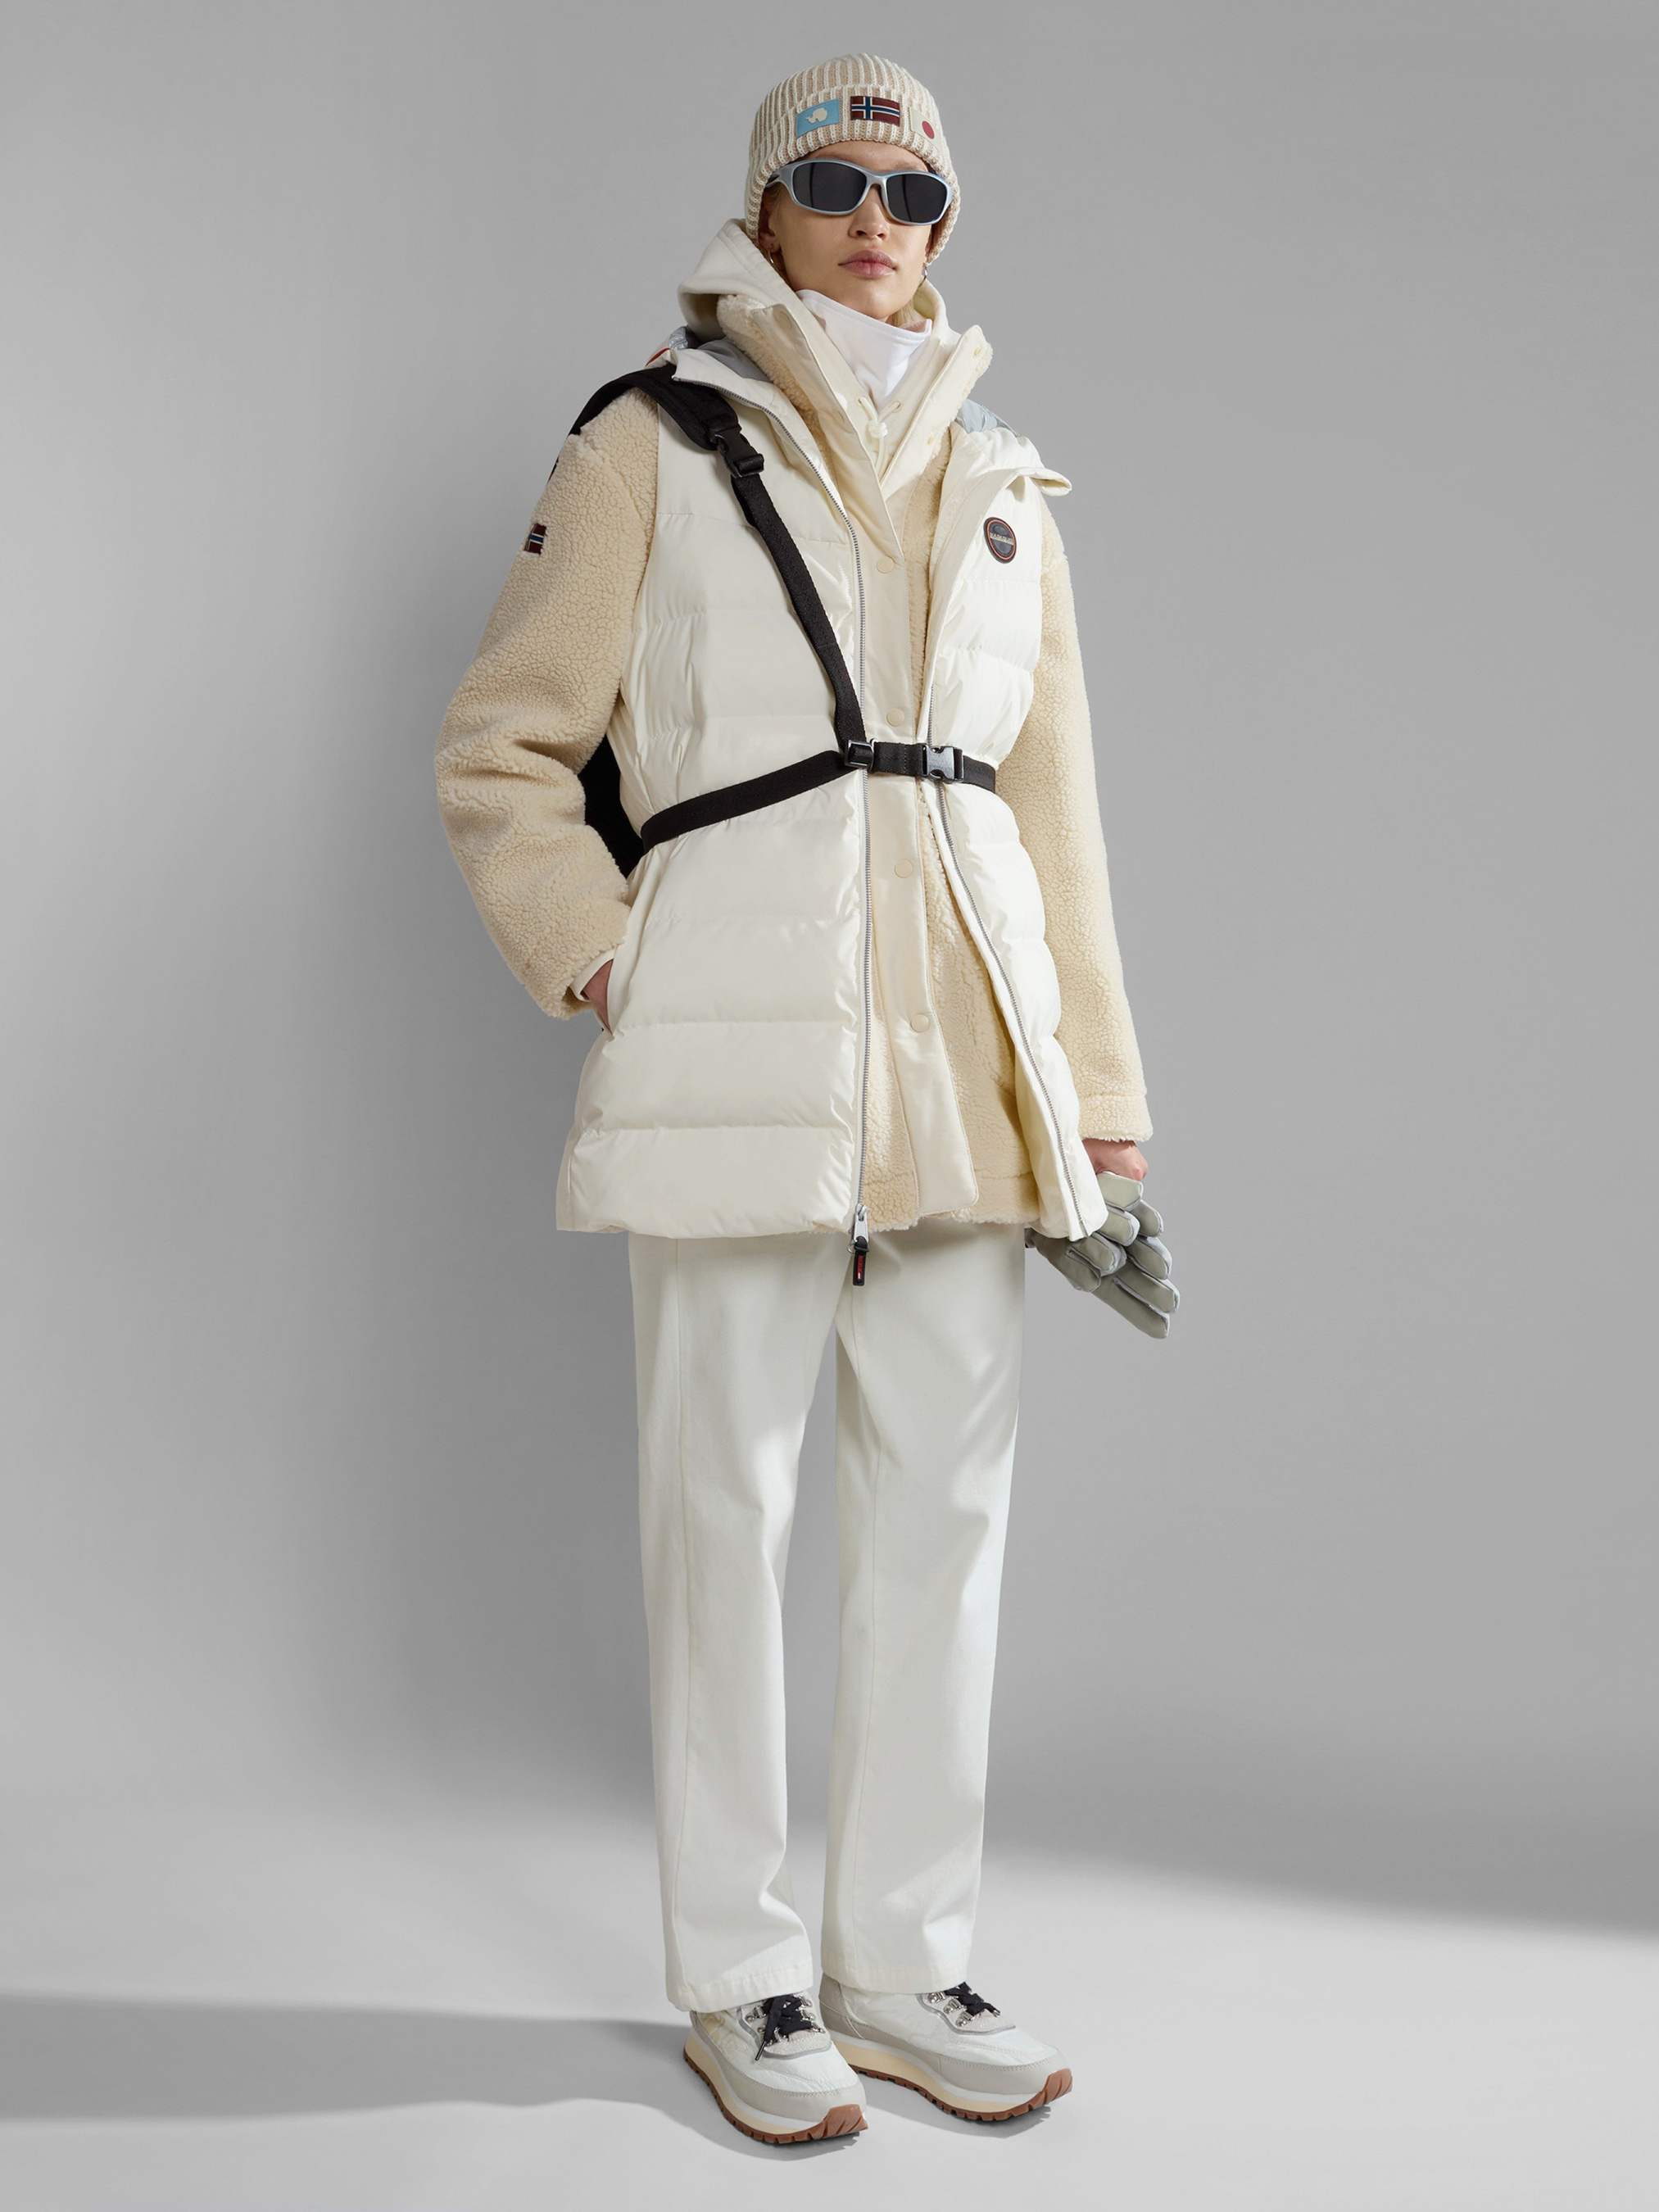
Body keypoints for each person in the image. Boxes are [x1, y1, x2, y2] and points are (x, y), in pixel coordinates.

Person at [437, 53, 1164, 2146]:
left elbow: (1049, 813)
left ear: (944, 226)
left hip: (968, 1058)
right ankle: (741, 1979)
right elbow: (503, 745)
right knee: (722, 1514)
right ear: (763, 207)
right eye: (831, 177)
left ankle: (901, 1964)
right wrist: (608, 957)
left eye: (910, 190)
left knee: (945, 1520)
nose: (872, 217)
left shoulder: (1005, 477)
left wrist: (1096, 1098)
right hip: (734, 1044)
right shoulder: (648, 439)